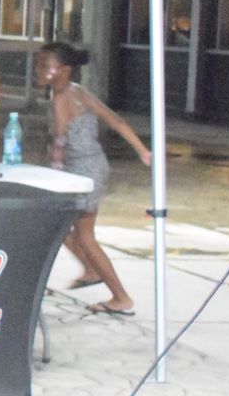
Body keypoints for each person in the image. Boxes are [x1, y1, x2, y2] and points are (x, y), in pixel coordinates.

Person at [36, 41, 152, 316]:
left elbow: (60, 141)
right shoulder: (79, 92)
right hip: (94, 166)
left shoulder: (62, 97)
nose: (39, 70)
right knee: (63, 226)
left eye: (44, 65)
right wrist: (141, 150)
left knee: (84, 235)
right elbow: (116, 121)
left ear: (63, 69)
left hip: (82, 170)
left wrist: (53, 174)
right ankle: (90, 270)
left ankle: (120, 297)